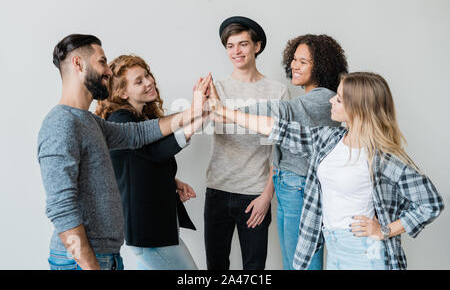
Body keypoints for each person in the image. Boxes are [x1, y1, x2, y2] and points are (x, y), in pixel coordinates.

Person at [208, 72, 444, 270]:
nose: (332, 100)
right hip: (335, 248)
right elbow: (276, 128)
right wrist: (223, 111)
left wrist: (384, 230)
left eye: (339, 99)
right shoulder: (328, 139)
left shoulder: (383, 157)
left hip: (365, 253)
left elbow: (431, 203)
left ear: (358, 108)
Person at [37, 34, 210, 270]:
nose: (108, 71)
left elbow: (135, 135)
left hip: (106, 257)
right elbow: (61, 208)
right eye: (102, 62)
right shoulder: (61, 123)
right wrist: (90, 266)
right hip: (82, 262)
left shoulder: (90, 122)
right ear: (78, 64)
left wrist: (192, 113)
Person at [237, 34, 348, 270]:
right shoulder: (312, 97)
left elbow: (278, 112)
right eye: (294, 60)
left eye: (303, 62)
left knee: (303, 263)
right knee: (293, 263)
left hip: (299, 187)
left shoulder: (323, 99)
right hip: (289, 185)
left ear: (321, 66)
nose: (294, 66)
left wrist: (224, 111)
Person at [95, 55, 206, 269]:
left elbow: (139, 164)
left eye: (147, 75)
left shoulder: (139, 117)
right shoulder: (120, 119)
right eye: (139, 81)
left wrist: (172, 181)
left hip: (154, 229)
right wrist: (196, 120)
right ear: (122, 92)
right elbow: (154, 152)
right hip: (149, 232)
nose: (149, 82)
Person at [204, 16, 290, 270]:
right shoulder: (216, 88)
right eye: (230, 46)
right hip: (217, 190)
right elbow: (200, 126)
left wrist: (267, 196)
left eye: (242, 44)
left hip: (254, 193)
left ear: (257, 46)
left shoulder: (277, 91)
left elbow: (282, 151)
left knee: (254, 270)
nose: (236, 52)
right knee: (216, 269)